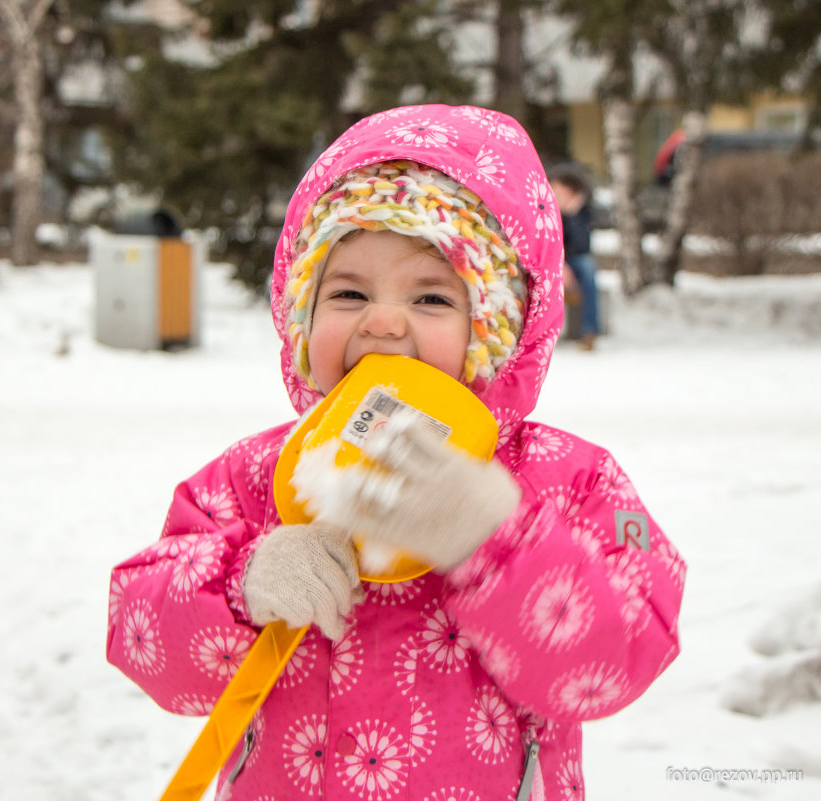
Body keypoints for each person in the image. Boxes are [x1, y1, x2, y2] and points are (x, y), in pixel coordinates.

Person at [107, 105, 684, 800]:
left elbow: (623, 652)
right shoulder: (256, 478)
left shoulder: (566, 480)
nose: (382, 320)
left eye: (432, 297)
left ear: (493, 333)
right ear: (302, 317)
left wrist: (493, 535)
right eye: (348, 291)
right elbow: (140, 632)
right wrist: (243, 582)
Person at [548, 163, 600, 350]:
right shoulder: (546, 209)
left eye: (558, 189)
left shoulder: (581, 213)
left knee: (588, 267)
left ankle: (590, 332)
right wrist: (560, 264)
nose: (553, 192)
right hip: (551, 260)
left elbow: (581, 246)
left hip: (575, 261)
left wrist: (571, 215)